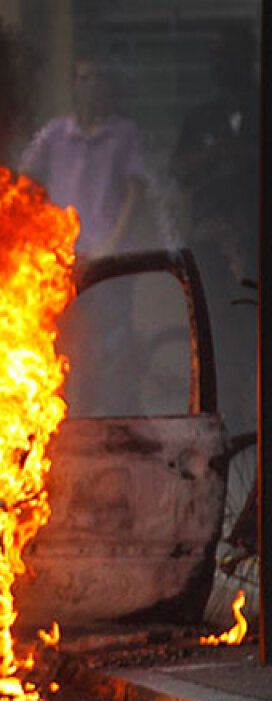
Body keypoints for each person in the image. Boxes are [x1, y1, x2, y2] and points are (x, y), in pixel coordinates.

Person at [20, 56, 149, 417]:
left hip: (110, 261)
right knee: (64, 346)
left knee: (110, 346)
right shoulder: (55, 135)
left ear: (109, 87)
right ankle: (67, 420)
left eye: (98, 79)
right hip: (63, 261)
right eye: (84, 78)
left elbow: (135, 195)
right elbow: (25, 183)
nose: (91, 86)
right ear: (74, 86)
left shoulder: (124, 135)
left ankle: (111, 422)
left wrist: (110, 245)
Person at [172, 24, 259, 433]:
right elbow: (178, 171)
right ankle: (226, 415)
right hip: (210, 241)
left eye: (233, 57)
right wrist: (212, 155)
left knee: (251, 331)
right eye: (219, 58)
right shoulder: (200, 116)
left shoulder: (260, 108)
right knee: (217, 330)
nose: (225, 66)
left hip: (254, 242)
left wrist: (240, 154)